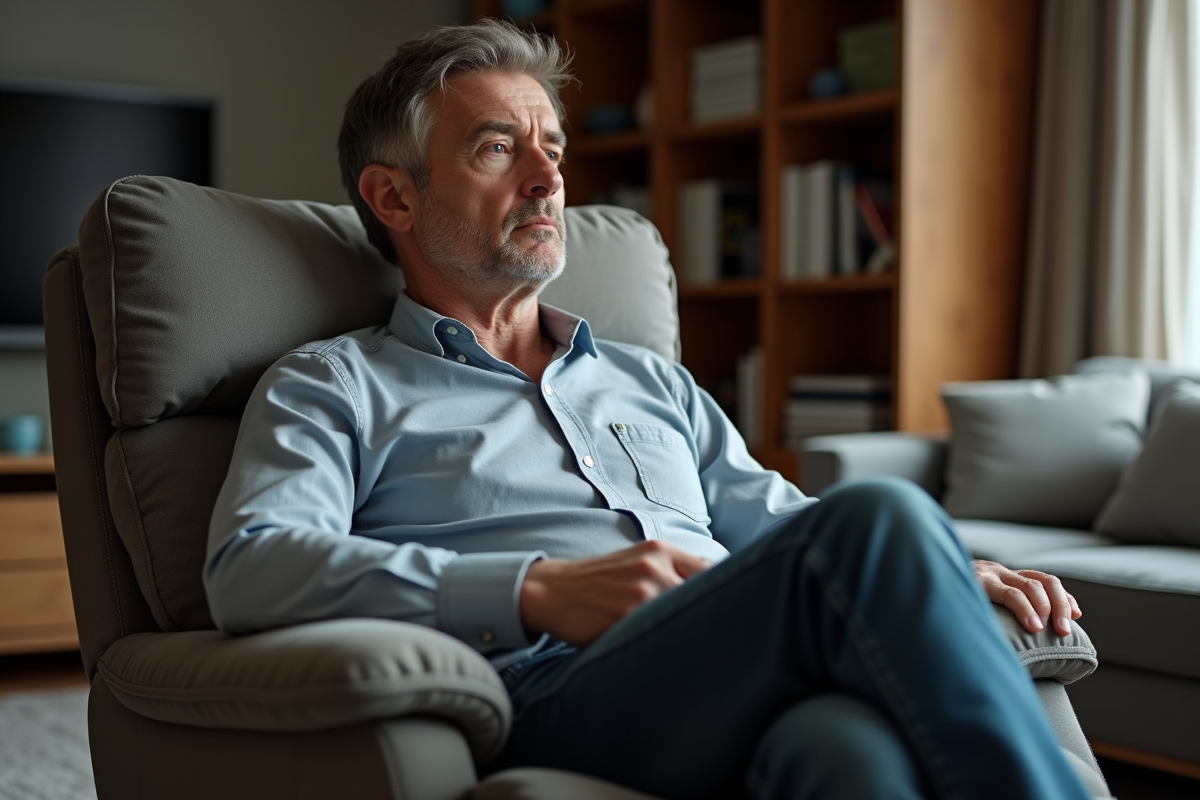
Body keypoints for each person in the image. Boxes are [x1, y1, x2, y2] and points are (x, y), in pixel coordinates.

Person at [205, 19, 1092, 800]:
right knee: (884, 512)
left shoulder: (650, 380)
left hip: (733, 666)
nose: (549, 177)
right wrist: (535, 590)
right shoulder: (335, 384)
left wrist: (929, 569)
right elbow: (251, 565)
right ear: (393, 196)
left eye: (552, 145)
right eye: (497, 147)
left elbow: (777, 519)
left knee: (840, 753)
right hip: (552, 689)